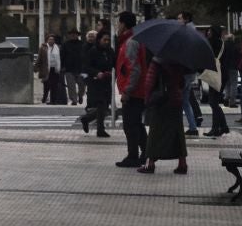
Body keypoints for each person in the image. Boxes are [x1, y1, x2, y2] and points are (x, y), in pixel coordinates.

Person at [137, 56, 189, 174]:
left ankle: (150, 164)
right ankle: (182, 163)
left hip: (161, 101)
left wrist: (147, 100)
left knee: (155, 132)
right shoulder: (180, 61)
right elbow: (182, 82)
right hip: (176, 100)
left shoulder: (157, 61)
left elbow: (149, 82)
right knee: (177, 132)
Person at [115, 11, 148, 168]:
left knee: (130, 125)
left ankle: (133, 155)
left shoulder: (130, 42)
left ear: (124, 24)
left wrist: (127, 90)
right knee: (135, 123)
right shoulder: (130, 40)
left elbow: (134, 69)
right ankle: (146, 152)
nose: (117, 26)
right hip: (136, 90)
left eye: (118, 23)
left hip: (134, 91)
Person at [76, 30, 114, 137]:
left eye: (108, 40)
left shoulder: (109, 51)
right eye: (104, 40)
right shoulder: (93, 51)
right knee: (101, 104)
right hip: (96, 82)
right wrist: (97, 73)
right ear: (99, 40)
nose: (106, 42)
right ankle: (100, 130)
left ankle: (86, 119)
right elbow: (86, 66)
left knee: (105, 107)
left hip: (106, 81)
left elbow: (114, 62)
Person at [202, 24, 230, 138]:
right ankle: (223, 127)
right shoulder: (222, 42)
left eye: (210, 31)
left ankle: (216, 128)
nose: (208, 32)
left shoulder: (213, 43)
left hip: (216, 75)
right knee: (214, 102)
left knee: (213, 102)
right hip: (222, 75)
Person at [60, 29, 86, 106]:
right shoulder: (65, 44)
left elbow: (85, 57)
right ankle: (74, 100)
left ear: (78, 35)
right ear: (69, 35)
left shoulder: (82, 44)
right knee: (71, 86)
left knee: (82, 85)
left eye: (75, 34)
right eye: (71, 34)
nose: (73, 35)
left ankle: (80, 95)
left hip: (80, 68)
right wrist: (62, 66)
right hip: (69, 69)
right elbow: (62, 56)